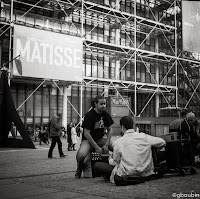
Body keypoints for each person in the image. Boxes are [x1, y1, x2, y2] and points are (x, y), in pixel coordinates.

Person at [93, 116, 166, 184]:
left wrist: (110, 159)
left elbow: (115, 163)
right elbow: (162, 142)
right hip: (146, 172)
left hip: (127, 174)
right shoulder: (144, 137)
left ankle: (108, 177)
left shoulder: (117, 143)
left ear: (122, 127)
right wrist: (151, 151)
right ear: (133, 126)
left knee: (97, 165)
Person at [75, 95, 114, 178]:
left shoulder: (106, 115)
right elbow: (86, 134)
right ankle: (79, 167)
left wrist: (107, 144)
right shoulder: (89, 115)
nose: (103, 106)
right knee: (81, 155)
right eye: (101, 104)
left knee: (115, 147)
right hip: (88, 140)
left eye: (104, 104)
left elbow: (110, 130)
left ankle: (117, 166)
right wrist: (96, 147)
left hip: (100, 138)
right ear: (95, 104)